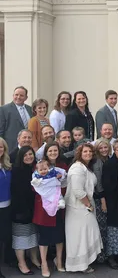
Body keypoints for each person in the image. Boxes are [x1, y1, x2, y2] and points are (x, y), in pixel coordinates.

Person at [65, 143, 103, 273]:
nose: (88, 154)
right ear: (79, 153)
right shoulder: (77, 168)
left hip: (84, 207)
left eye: (90, 151)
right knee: (79, 237)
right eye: (85, 151)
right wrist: (89, 205)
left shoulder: (86, 167)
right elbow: (78, 191)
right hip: (78, 208)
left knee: (85, 235)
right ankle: (79, 265)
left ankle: (84, 263)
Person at [36, 143, 68, 274]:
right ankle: (44, 264)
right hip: (43, 206)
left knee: (59, 236)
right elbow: (35, 185)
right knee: (44, 237)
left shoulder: (63, 166)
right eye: (50, 151)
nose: (53, 153)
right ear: (46, 152)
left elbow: (66, 184)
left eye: (55, 150)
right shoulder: (40, 166)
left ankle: (59, 261)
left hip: (59, 205)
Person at [11, 146, 40, 275]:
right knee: (21, 237)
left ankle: (34, 258)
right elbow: (16, 192)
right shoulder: (16, 170)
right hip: (20, 210)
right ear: (20, 157)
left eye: (30, 154)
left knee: (33, 234)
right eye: (25, 155)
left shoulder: (34, 169)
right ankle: (21, 263)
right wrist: (24, 209)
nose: (29, 157)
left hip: (34, 208)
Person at [101, 139, 118, 270]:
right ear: (114, 150)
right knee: (114, 229)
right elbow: (107, 185)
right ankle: (111, 256)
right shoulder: (109, 164)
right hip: (114, 201)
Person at [92, 138, 111, 263]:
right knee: (102, 227)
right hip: (100, 199)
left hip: (109, 197)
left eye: (106, 147)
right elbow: (98, 184)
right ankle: (101, 255)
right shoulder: (97, 162)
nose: (104, 150)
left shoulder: (108, 159)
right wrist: (103, 199)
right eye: (101, 148)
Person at [0, 86, 33, 151]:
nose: (18, 97)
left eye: (21, 95)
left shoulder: (30, 109)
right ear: (13, 95)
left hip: (27, 147)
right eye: (16, 95)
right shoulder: (4, 109)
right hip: (11, 147)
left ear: (26, 97)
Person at [0, 138, 12, 278]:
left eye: (2, 147)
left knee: (5, 236)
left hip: (7, 206)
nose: (0, 150)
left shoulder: (7, 165)